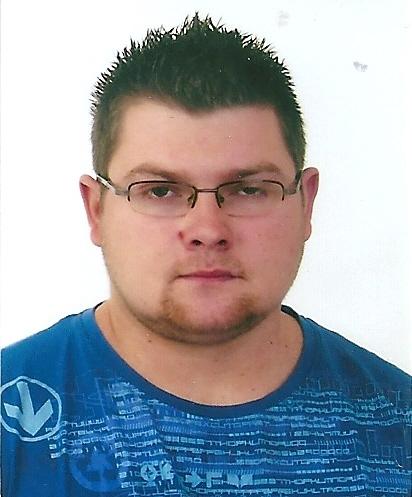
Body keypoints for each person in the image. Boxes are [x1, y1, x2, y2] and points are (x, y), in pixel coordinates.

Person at [1, 14, 410, 497]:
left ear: (306, 203)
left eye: (249, 189)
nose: (208, 230)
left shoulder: (400, 423)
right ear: (96, 210)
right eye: (159, 190)